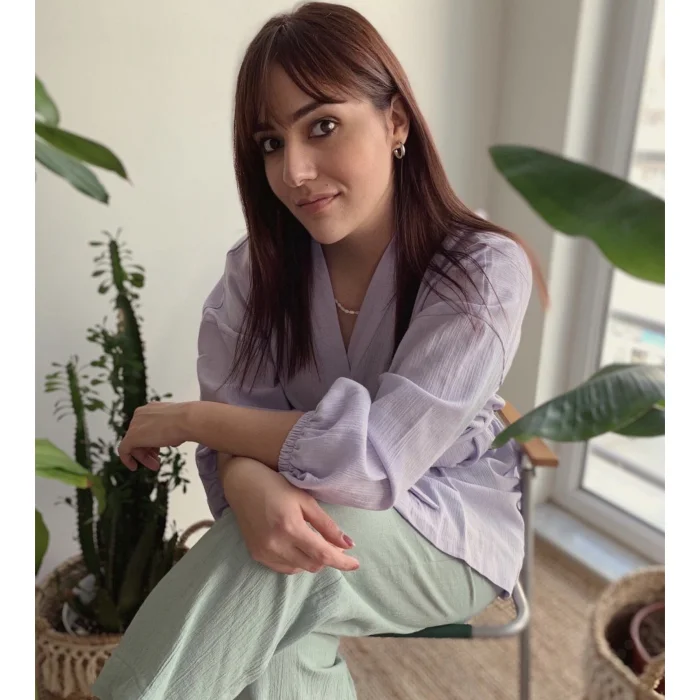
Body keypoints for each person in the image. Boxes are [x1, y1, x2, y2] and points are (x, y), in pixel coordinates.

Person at [92, 2, 546, 698]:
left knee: (274, 566)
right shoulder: (256, 271)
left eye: (323, 125)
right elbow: (242, 420)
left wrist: (190, 420)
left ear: (396, 122)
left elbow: (373, 460)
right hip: (310, 508)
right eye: (271, 142)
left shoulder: (480, 270)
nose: (295, 171)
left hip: (450, 525)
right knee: (280, 612)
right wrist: (247, 481)